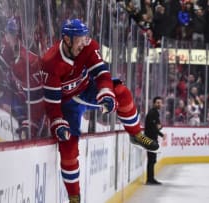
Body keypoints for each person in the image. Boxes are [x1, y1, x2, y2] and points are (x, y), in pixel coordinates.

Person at [39, 19, 159, 203]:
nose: (84, 42)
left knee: (122, 93)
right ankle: (74, 196)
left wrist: (106, 93)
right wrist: (58, 123)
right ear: (67, 39)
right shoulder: (51, 62)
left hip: (88, 89)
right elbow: (52, 104)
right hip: (68, 104)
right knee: (68, 147)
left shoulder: (88, 46)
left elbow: (102, 73)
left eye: (85, 38)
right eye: (79, 39)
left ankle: (135, 134)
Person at [144, 96, 164, 185]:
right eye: (157, 103)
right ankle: (150, 179)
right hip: (150, 139)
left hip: (152, 138)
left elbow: (158, 126)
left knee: (152, 159)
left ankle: (151, 178)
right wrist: (161, 134)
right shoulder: (153, 113)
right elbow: (154, 127)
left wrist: (159, 130)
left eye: (160, 103)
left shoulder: (155, 113)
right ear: (154, 103)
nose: (159, 104)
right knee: (151, 159)